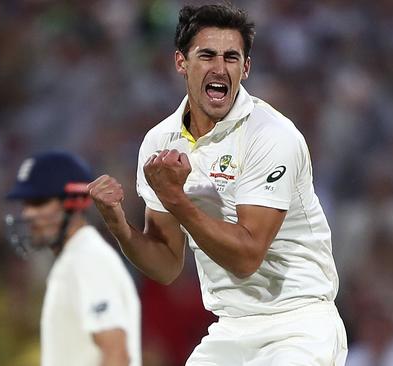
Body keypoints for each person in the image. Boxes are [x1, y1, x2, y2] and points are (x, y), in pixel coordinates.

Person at [89, 3, 347, 365]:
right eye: (207, 55)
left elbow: (247, 257)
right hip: (229, 328)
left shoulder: (271, 136)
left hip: (298, 325)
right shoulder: (160, 141)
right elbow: (166, 265)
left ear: (246, 68)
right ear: (181, 63)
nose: (220, 68)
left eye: (231, 57)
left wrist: (176, 199)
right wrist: (118, 224)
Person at [5, 150, 141, 366]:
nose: (27, 214)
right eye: (26, 203)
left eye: (39, 202)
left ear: (75, 201)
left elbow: (116, 354)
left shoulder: (88, 260)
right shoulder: (76, 259)